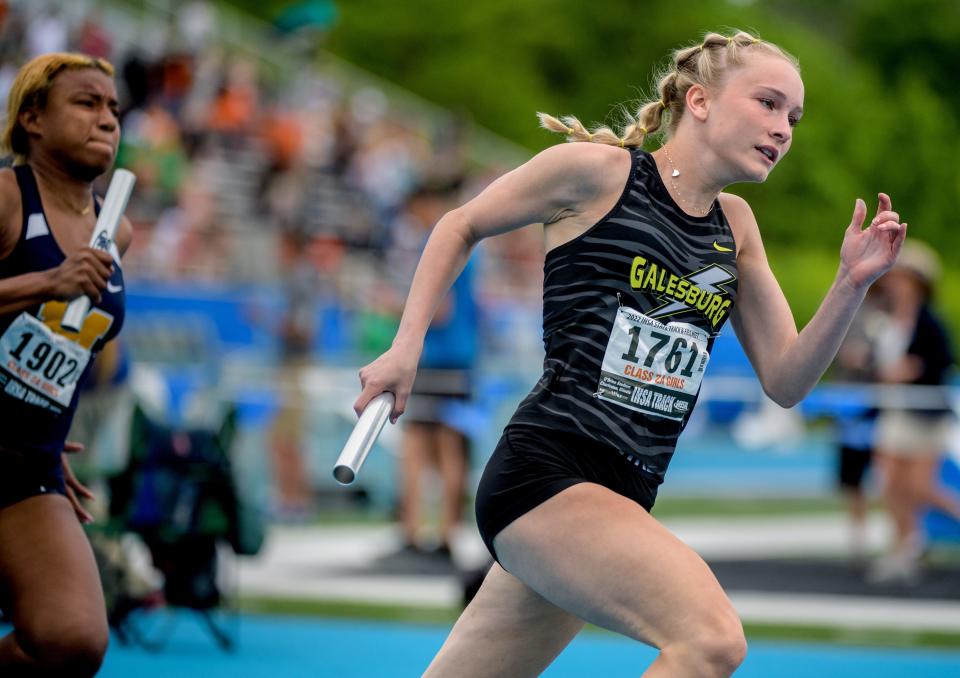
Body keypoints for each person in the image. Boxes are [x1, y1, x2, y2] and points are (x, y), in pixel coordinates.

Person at [353, 30, 906, 677]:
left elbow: (787, 380)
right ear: (699, 101)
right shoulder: (597, 174)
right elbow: (460, 224)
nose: (783, 127)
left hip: (620, 497)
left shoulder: (737, 228)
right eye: (768, 103)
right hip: (549, 476)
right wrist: (405, 347)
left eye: (793, 116)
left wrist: (851, 285)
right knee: (712, 639)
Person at [0, 53, 131, 676]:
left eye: (114, 109)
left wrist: (49, 437)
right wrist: (45, 281)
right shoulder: (4, 197)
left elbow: (64, 348)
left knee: (73, 640)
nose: (106, 119)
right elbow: (48, 299)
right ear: (32, 118)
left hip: (28, 473)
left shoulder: (116, 228)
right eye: (86, 103)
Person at [869, 241, 958, 584]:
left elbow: (942, 363)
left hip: (924, 415)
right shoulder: (885, 318)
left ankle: (915, 541)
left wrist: (913, 369)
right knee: (891, 485)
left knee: (921, 487)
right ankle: (904, 547)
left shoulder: (930, 321)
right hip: (895, 410)